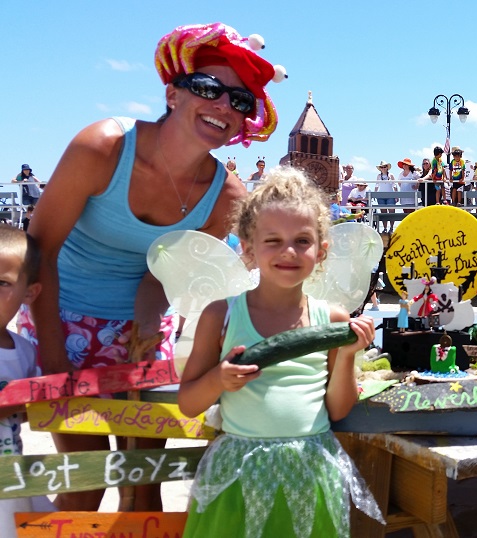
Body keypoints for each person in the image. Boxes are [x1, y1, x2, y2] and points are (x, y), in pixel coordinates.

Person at [18, 22, 277, 512]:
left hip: (144, 333)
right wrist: (54, 362)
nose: (224, 106)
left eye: (240, 101)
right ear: (173, 95)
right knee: (87, 485)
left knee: (143, 487)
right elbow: (39, 253)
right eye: (208, 88)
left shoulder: (227, 196)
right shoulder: (102, 147)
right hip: (60, 318)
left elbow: (170, 277)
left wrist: (146, 326)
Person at [178, 167, 383, 537]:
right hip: (240, 471)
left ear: (321, 251)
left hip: (310, 469)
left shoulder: (331, 319)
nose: (288, 251)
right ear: (248, 248)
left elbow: (337, 409)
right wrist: (218, 379)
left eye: (302, 240)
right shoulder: (220, 316)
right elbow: (189, 403)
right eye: (272, 240)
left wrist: (349, 353)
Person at [0, 225, 53, 535]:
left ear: (29, 293)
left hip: (11, 477)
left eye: (2, 282)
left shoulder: (24, 351)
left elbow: (38, 409)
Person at [373, 161, 396, 232]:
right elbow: (376, 186)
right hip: (381, 196)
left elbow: (394, 185)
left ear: (387, 168)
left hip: (390, 195)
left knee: (391, 212)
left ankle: (391, 228)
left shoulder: (391, 175)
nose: (383, 168)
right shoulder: (379, 176)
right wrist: (375, 194)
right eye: (381, 167)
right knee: (383, 213)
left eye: (384, 167)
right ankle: (385, 228)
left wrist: (396, 195)